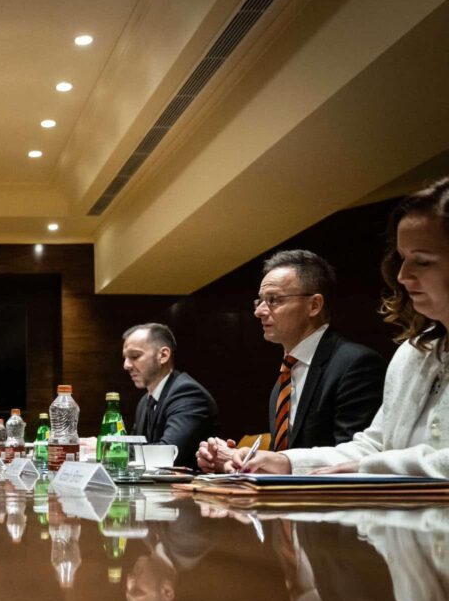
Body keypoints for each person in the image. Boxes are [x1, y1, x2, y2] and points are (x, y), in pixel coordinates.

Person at [225, 178, 449, 476]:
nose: (402, 276)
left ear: (314, 305)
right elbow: (374, 446)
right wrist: (287, 461)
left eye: (422, 261)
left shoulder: (354, 362)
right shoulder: (412, 352)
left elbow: (373, 461)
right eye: (402, 259)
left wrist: (371, 467)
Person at [197, 250, 385, 472]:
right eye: (260, 301)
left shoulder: (356, 364)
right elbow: (283, 460)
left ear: (314, 305)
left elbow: (354, 461)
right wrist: (234, 461)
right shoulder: (286, 373)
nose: (259, 311)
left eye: (273, 300)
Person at [122, 323, 217, 469]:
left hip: (191, 483)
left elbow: (167, 454)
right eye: (125, 358)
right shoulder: (144, 401)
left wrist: (108, 450)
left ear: (163, 355)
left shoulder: (187, 393)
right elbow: (135, 446)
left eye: (135, 356)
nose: (126, 365)